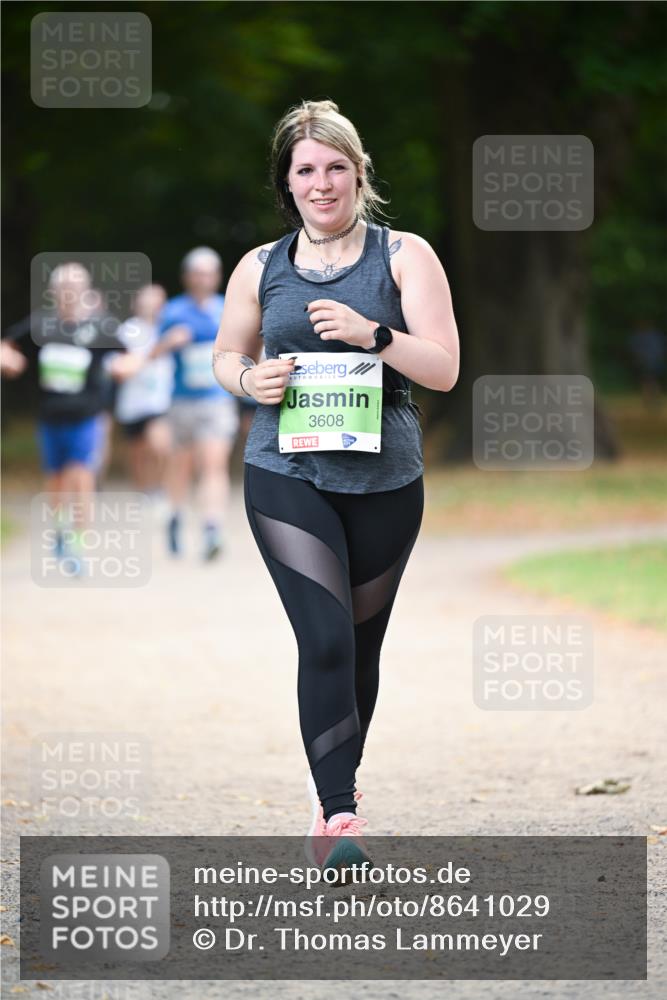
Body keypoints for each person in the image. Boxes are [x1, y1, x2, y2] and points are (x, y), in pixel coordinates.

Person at [212, 99, 459, 874]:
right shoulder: (259, 265)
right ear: (286, 184)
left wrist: (374, 336)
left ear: (359, 174)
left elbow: (445, 369)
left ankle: (330, 791)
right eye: (305, 171)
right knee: (321, 636)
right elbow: (225, 354)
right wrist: (251, 378)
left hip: (385, 475)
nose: (321, 184)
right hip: (285, 469)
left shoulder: (403, 255)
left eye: (335, 169)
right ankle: (339, 813)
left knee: (357, 644)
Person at [1, 262, 137, 563]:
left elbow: (130, 356)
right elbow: (8, 345)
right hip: (50, 416)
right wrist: (9, 360)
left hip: (86, 416)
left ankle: (78, 542)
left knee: (81, 474)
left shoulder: (100, 327)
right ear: (53, 293)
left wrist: (122, 368)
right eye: (63, 290)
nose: (69, 295)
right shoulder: (41, 325)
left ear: (85, 292)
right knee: (56, 479)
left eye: (74, 289)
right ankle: (61, 530)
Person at [154, 247, 239, 561]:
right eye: (198, 273)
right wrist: (168, 341)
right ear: (187, 277)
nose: (204, 278)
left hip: (217, 400)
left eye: (209, 273)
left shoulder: (227, 309)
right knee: (181, 465)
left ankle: (212, 528)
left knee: (213, 463)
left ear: (217, 277)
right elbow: (149, 356)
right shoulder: (173, 311)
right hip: (181, 402)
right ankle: (175, 515)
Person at [115, 284, 173, 497]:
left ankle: (159, 486)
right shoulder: (128, 330)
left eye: (157, 301)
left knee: (161, 446)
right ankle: (142, 489)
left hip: (158, 401)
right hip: (132, 401)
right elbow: (121, 365)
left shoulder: (168, 328)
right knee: (137, 452)